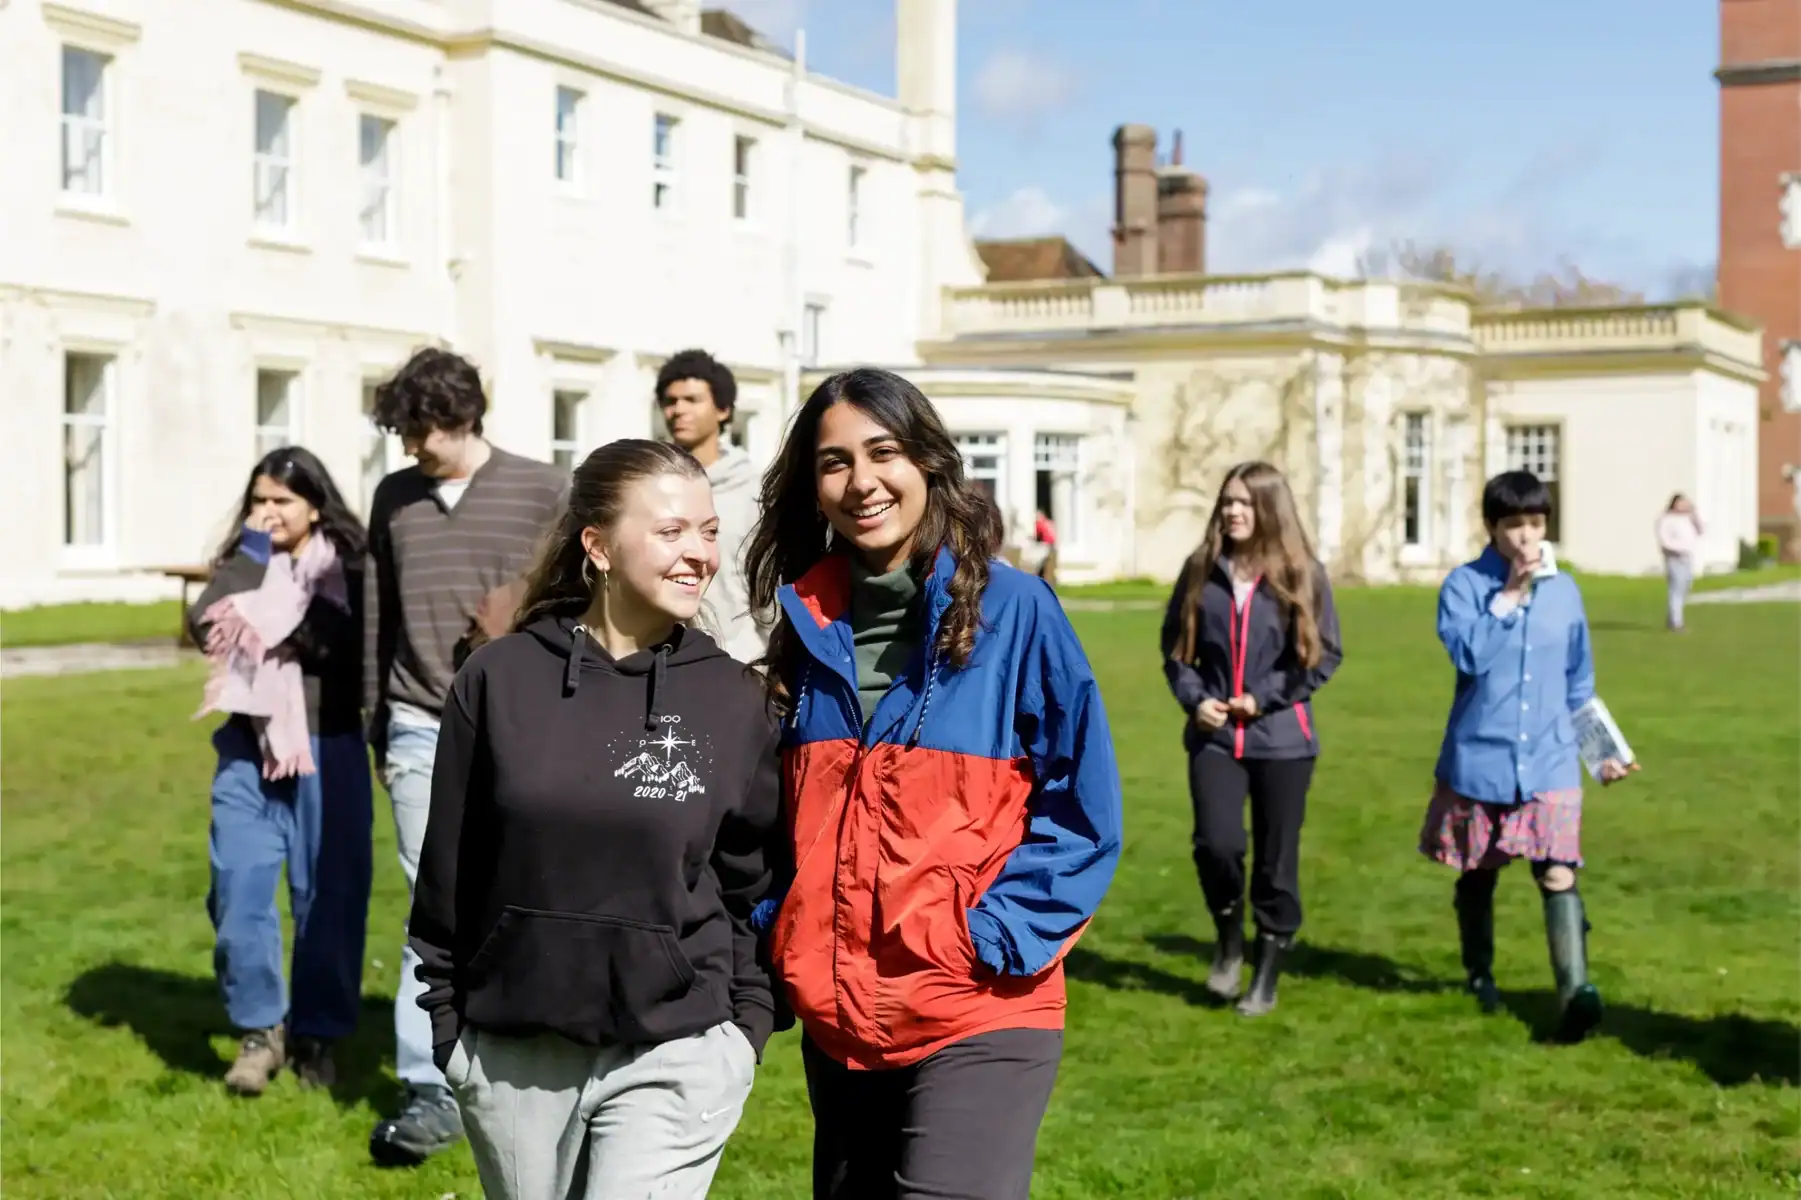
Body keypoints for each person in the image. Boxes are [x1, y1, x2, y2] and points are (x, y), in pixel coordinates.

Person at [743, 367, 1124, 1200]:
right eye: (834, 462)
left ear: (927, 463)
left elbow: (1081, 807)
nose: (862, 481)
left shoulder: (1016, 611)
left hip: (977, 1003)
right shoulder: (803, 628)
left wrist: (987, 939)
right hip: (838, 1017)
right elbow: (778, 820)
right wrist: (785, 929)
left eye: (883, 452)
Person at [408, 439, 783, 1199]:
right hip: (513, 1055)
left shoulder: (734, 700)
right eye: (672, 531)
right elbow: (451, 871)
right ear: (598, 547)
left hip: (675, 1051)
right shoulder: (499, 679)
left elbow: (754, 885)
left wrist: (742, 1031)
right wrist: (453, 1034)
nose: (700, 554)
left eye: (708, 531)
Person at [364, 347, 568, 1166]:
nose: (408, 444)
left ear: (458, 413)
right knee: (432, 901)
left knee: (523, 889)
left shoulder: (542, 489)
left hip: (519, 721)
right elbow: (377, 607)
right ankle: (430, 1085)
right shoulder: (393, 497)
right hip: (418, 721)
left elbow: (575, 595)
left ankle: (530, 1055)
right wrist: (373, 716)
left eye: (417, 427)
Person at [1421, 469, 1638, 1043]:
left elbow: (1578, 679)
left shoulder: (1566, 592)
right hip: (1481, 760)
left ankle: (1574, 997)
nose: (1526, 537)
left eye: (1536, 524)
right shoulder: (1465, 587)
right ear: (1492, 527)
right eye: (1514, 525)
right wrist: (1510, 597)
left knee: (1558, 872)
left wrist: (1603, 754)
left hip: (1550, 759)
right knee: (1481, 869)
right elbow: (1468, 656)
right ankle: (1479, 975)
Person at [189, 448, 372, 1095]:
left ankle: (318, 1033)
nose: (267, 513)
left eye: (281, 502)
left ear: (314, 505)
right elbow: (200, 621)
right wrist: (252, 557)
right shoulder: (246, 563)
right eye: (258, 501)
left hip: (330, 747)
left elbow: (337, 645)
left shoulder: (349, 569)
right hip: (247, 744)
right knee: (236, 891)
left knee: (328, 900)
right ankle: (261, 1030)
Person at [1158, 461, 1342, 1017]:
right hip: (1213, 738)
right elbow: (1175, 651)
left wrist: (1262, 698)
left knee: (1275, 862)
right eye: (1228, 501)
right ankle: (1227, 939)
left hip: (1283, 742)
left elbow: (1324, 654)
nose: (1233, 511)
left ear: (1269, 509)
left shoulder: (1302, 571)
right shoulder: (1200, 568)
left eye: (1245, 502)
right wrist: (1196, 699)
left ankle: (1265, 973)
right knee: (1217, 845)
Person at [658, 349, 767, 663]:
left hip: (740, 661)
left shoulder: (754, 492)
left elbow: (770, 591)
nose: (678, 410)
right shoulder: (649, 488)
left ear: (723, 409)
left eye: (691, 400)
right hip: (662, 659)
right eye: (670, 401)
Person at [1655, 493, 1703, 632]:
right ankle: (1676, 622)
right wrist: (1676, 549)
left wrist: (1694, 513)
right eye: (1681, 503)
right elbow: (1664, 540)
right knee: (1676, 588)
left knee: (1686, 586)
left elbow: (1701, 530)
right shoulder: (1666, 519)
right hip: (1674, 557)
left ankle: (1672, 617)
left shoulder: (1688, 518)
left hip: (1687, 557)